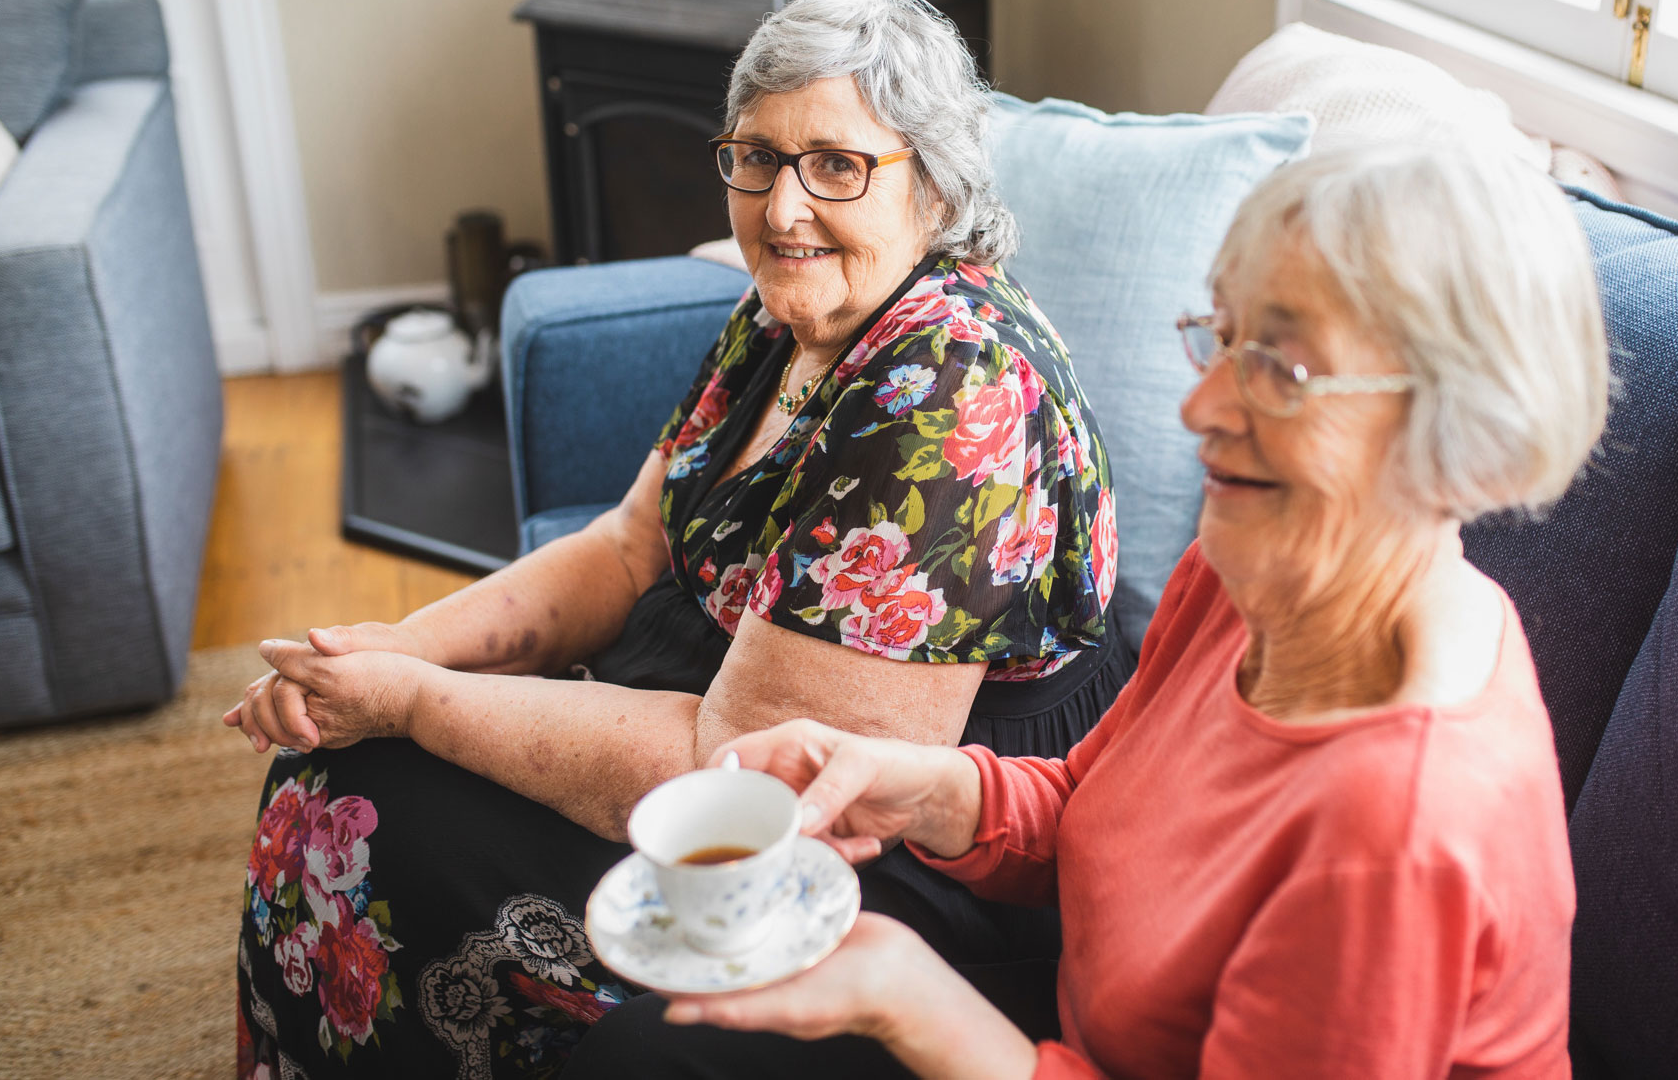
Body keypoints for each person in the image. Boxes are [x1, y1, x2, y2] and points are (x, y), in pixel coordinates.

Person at [228, 0, 1130, 1079]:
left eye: (837, 165)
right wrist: (382, 652)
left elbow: (740, 776)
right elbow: (621, 548)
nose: (783, 207)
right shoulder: (786, 309)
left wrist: (417, 700)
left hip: (875, 826)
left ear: (933, 192)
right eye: (756, 156)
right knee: (331, 772)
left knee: (368, 809)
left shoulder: (949, 387)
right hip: (715, 700)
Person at [563, 142, 1611, 1079]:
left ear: (1455, 425)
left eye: (1280, 367)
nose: (1198, 408)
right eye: (1223, 337)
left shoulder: (1393, 830)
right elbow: (1092, 803)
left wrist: (909, 1001)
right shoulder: (1255, 571)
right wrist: (909, 786)